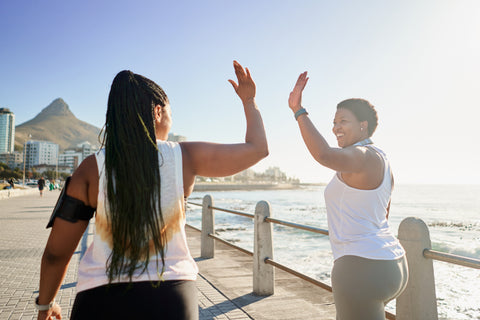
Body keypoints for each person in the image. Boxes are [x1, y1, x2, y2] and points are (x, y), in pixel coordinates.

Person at [36, 61, 268, 320]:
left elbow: (56, 254)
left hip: (100, 300)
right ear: (157, 112)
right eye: (170, 114)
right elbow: (258, 149)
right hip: (170, 298)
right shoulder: (185, 156)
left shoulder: (89, 169)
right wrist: (249, 100)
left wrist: (45, 306)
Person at [288, 72, 408, 320]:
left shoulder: (362, 155)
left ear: (363, 125)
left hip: (362, 266)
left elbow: (324, 155)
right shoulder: (381, 159)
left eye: (343, 121)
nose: (335, 127)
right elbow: (382, 214)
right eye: (334, 122)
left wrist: (299, 111)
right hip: (393, 263)